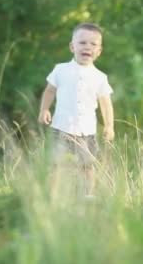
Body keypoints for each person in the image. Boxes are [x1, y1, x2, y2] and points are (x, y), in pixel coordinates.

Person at [38, 23, 114, 198]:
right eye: (82, 42)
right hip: (61, 128)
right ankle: (52, 197)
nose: (87, 47)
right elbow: (50, 90)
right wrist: (44, 110)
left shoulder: (100, 77)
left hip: (86, 132)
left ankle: (88, 196)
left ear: (99, 51)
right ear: (73, 47)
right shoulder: (61, 70)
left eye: (93, 44)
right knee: (55, 165)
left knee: (87, 167)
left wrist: (109, 126)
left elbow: (105, 103)